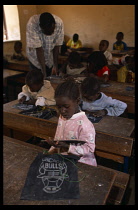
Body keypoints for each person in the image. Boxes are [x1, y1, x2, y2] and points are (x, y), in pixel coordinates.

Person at [45, 80, 97, 166]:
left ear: (77, 101)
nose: (62, 111)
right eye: (59, 107)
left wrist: (68, 147)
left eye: (66, 106)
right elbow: (59, 138)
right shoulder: (62, 117)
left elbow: (89, 149)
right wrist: (55, 144)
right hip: (64, 159)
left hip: (82, 163)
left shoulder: (85, 125)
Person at [26, 12, 64, 79]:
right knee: (37, 81)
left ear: (54, 25)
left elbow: (57, 46)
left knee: (49, 82)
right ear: (40, 27)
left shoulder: (59, 23)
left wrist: (55, 66)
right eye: (47, 32)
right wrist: (43, 73)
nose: (50, 33)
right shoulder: (32, 24)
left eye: (52, 31)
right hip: (35, 60)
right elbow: (39, 50)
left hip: (49, 59)